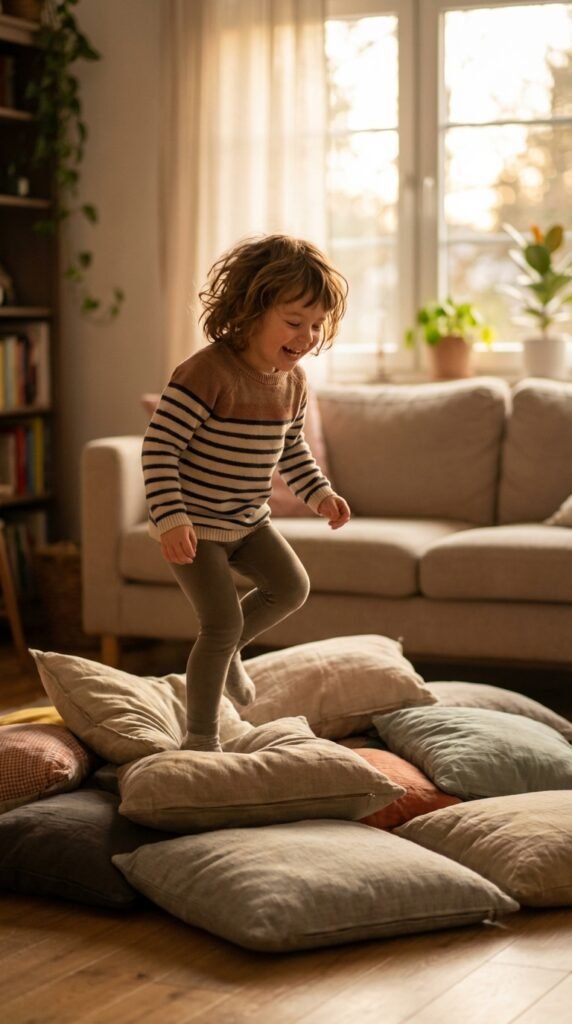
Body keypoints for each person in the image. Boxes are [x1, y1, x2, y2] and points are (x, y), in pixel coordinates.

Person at [142, 234, 351, 752]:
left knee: (292, 587)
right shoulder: (206, 372)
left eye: (317, 325)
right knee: (220, 622)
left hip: (249, 521)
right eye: (295, 322)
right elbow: (159, 448)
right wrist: (170, 519)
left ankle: (230, 649)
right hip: (195, 526)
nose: (307, 337)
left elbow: (292, 452)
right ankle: (201, 738)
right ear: (251, 310)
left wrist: (321, 496)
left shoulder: (294, 383)